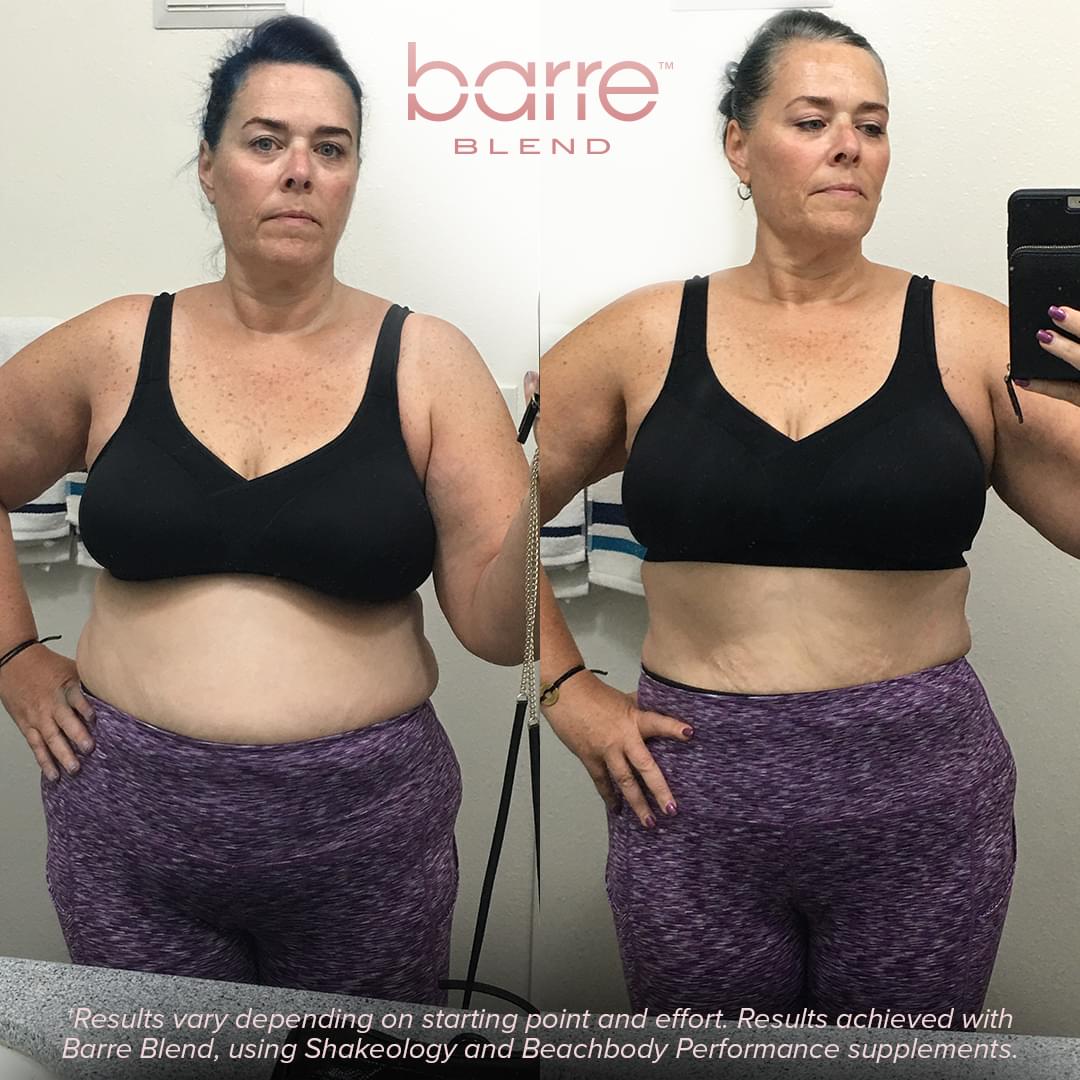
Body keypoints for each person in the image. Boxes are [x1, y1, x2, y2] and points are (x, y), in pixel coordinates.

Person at [539, 8, 1080, 1023]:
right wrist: (565, 689)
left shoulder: (973, 336)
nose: (849, 146)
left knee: (901, 1070)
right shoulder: (639, 335)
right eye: (812, 119)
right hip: (690, 802)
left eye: (872, 125)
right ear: (738, 145)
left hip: (923, 801)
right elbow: (471, 513)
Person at [0, 16, 529, 1006]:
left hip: (366, 833)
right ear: (209, 167)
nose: (298, 172)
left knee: (356, 1069)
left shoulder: (428, 361)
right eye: (265, 141)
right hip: (130, 826)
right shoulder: (118, 342)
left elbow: (499, 636)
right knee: (154, 1068)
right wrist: (14, 656)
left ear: (353, 175)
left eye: (330, 149)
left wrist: (553, 478)